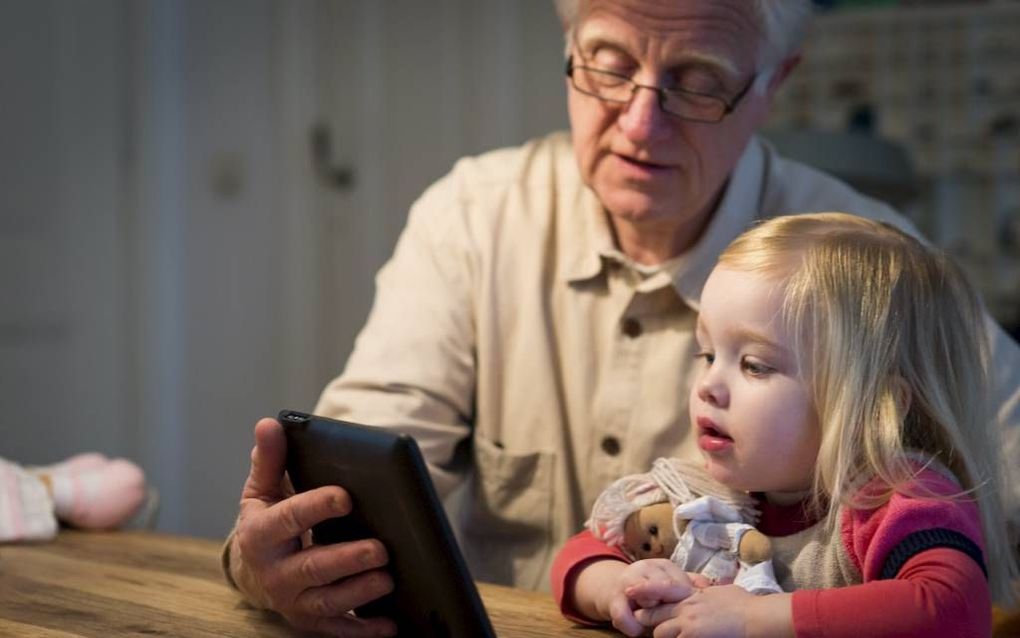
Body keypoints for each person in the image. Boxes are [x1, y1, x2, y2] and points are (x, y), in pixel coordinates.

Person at [221, 1, 1020, 634]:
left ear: (774, 82)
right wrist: (281, 557)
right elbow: (357, 492)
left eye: (699, 79)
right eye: (607, 66)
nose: (641, 124)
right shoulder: (471, 218)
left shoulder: (871, 268)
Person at [554, 212, 1017, 637]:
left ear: (873, 408)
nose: (708, 386)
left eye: (754, 365)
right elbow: (578, 555)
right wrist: (618, 584)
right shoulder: (705, 496)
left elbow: (956, 609)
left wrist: (754, 619)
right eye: (708, 355)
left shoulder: (895, 498)